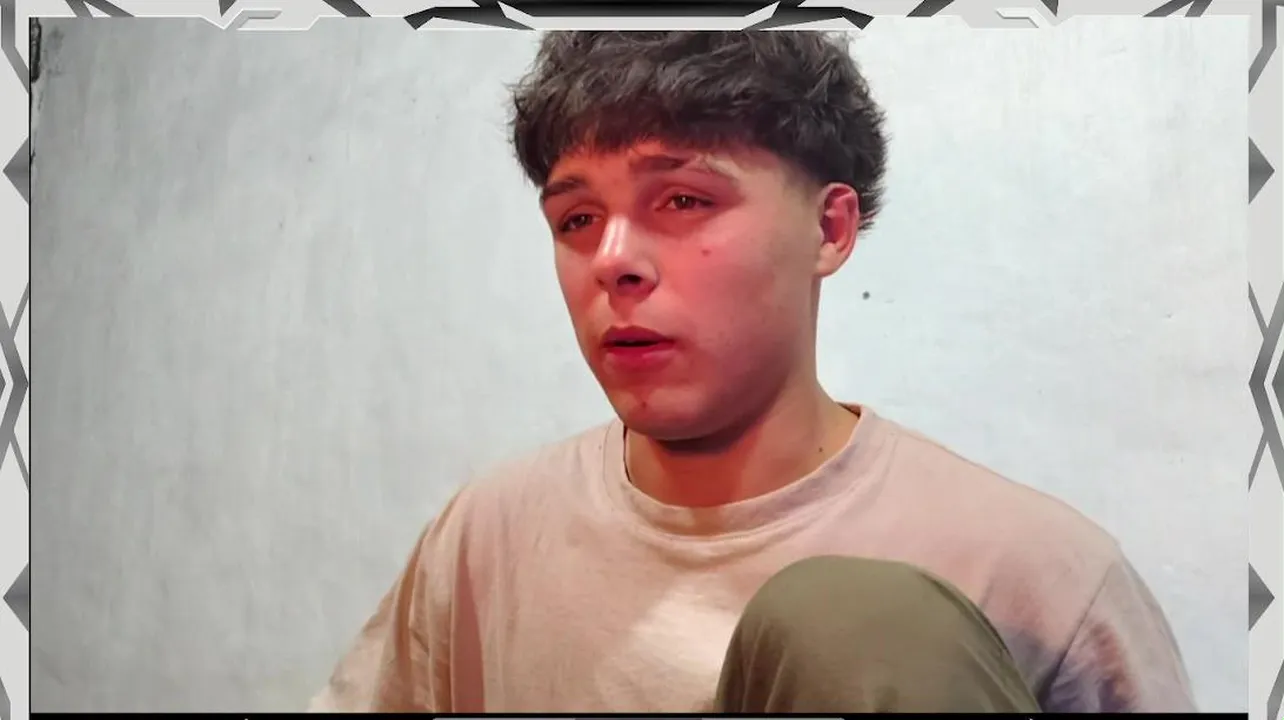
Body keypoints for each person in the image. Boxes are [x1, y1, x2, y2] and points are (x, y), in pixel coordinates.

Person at [309, 30, 1194, 713]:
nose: (613, 260)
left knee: (859, 625)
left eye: (683, 199)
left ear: (829, 230)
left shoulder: (1036, 575)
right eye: (577, 219)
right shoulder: (484, 539)